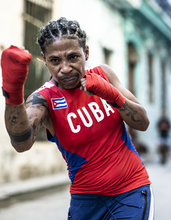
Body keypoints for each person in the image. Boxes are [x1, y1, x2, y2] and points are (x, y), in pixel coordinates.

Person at [1, 17, 154, 220]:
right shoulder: (44, 99)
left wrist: (110, 93)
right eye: (55, 60)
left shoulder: (103, 75)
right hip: (85, 200)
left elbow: (142, 122)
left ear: (86, 53)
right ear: (44, 59)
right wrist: (13, 92)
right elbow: (21, 143)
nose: (65, 68)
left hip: (131, 189)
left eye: (73, 57)